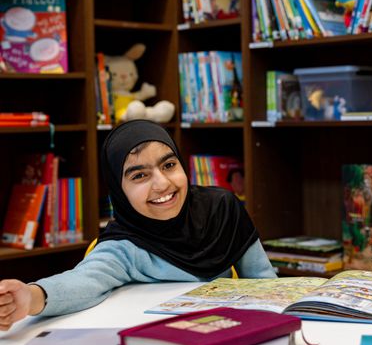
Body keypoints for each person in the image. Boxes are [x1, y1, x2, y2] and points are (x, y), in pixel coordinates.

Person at [0, 120, 275, 331]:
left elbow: (265, 282)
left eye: (169, 165)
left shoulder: (222, 208)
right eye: (139, 175)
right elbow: (83, 281)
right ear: (118, 191)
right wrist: (31, 297)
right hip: (162, 343)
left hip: (235, 333)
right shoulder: (124, 244)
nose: (162, 184)